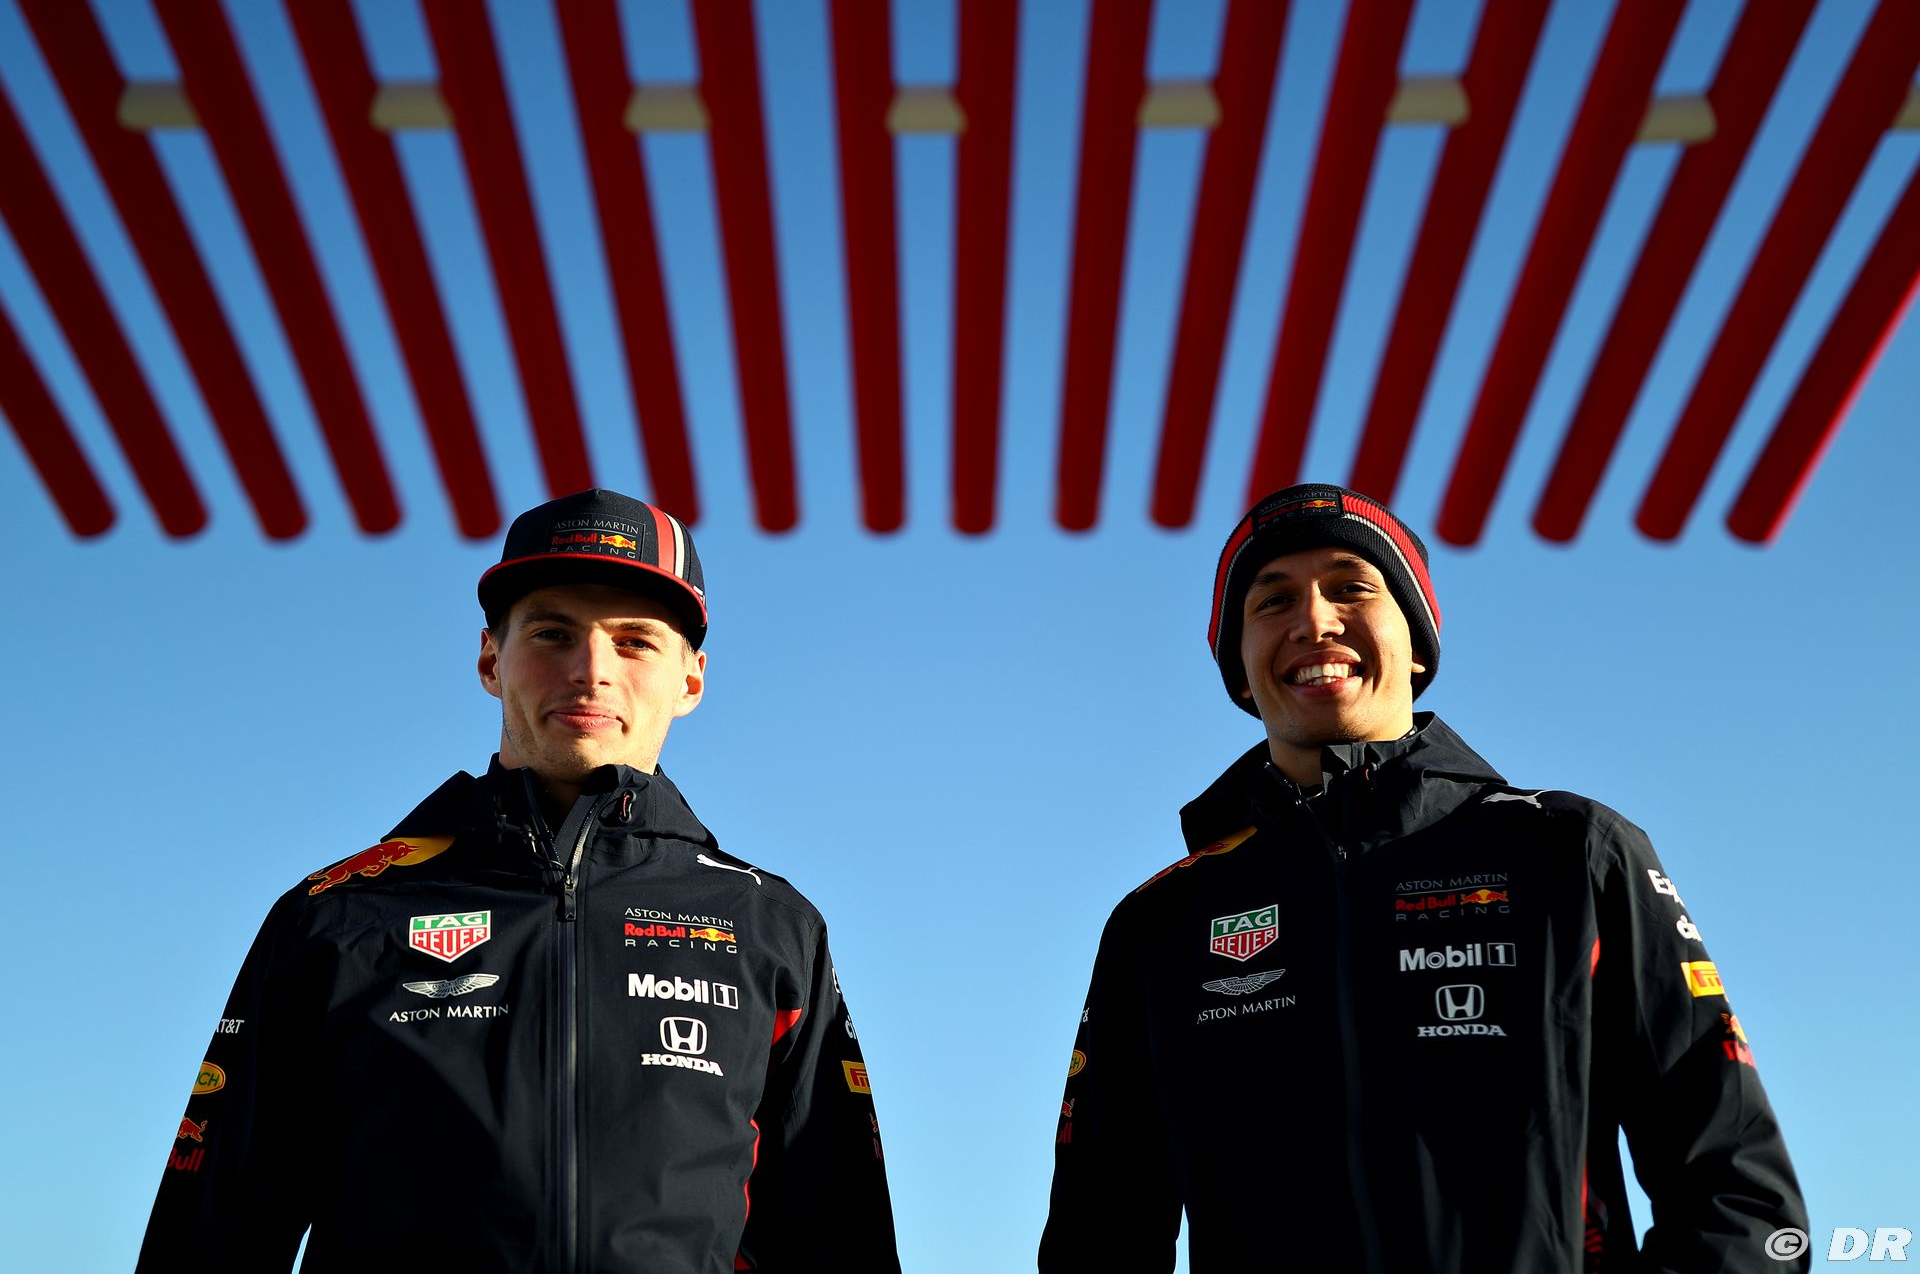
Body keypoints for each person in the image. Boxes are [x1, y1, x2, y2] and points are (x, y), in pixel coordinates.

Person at [1039, 484, 1807, 1272]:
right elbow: (1097, 1235)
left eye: (1351, 587)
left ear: (1416, 646)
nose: (1314, 621)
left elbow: (1739, 1199)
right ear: (1239, 667)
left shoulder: (1572, 851)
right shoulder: (1161, 922)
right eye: (1273, 600)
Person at [140, 488, 900, 1273]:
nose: (591, 670)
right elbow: (210, 1235)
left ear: (691, 680)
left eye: (635, 642)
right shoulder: (337, 916)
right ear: (489, 660)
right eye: (552, 633)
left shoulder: (772, 927)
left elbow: (840, 1239)